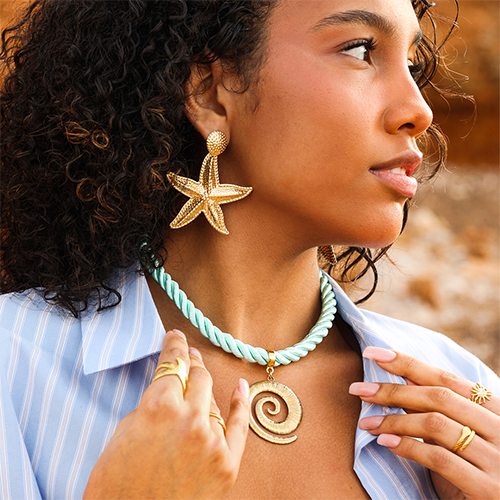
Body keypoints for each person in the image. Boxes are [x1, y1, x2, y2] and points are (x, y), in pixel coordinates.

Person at [1, 0, 499, 499]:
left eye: (411, 64)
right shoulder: (14, 365)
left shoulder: (463, 401)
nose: (420, 111)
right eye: (360, 50)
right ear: (208, 93)